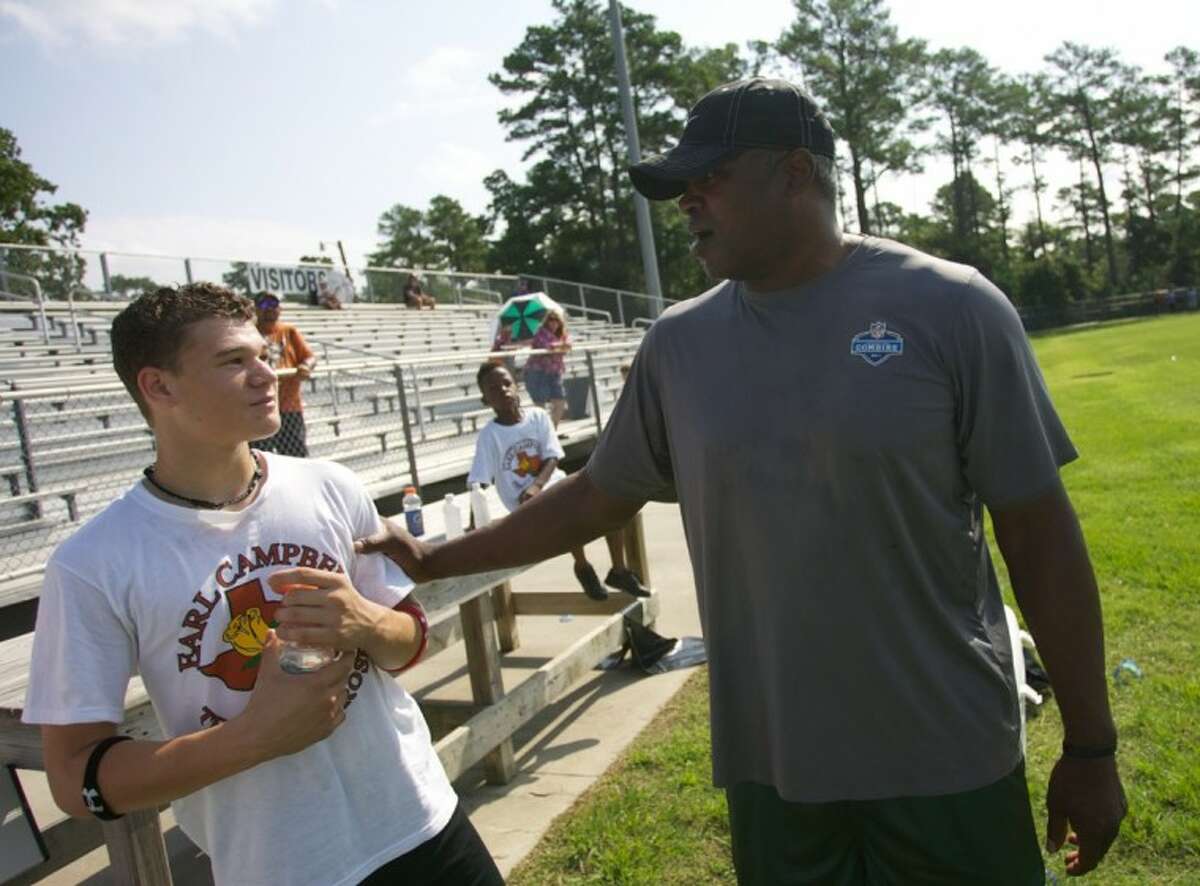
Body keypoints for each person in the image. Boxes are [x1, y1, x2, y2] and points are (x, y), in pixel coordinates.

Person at [357, 78, 1126, 883]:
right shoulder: (679, 347)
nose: (686, 201)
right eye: (681, 187)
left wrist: (1091, 744)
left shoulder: (954, 309)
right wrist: (435, 559)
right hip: (774, 770)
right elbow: (594, 497)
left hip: (945, 755)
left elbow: (1039, 534)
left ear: (796, 173)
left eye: (709, 178)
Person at [22, 283, 502, 886]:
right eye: (233, 361)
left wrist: (367, 623)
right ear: (158, 386)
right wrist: (251, 739)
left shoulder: (330, 485)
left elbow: (410, 642)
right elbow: (72, 778)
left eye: (262, 354)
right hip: (279, 865)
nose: (266, 373)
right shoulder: (91, 563)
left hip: (422, 820)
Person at [469, 362, 647, 601]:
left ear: (516, 385)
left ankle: (619, 569)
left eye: (506, 383)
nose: (502, 390)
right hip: (526, 503)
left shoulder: (538, 417)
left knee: (608, 496)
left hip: (552, 486)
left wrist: (537, 485)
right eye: (493, 388)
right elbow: (478, 481)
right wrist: (473, 524)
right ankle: (582, 566)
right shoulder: (490, 435)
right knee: (568, 515)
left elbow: (553, 455)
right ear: (485, 399)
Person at [250, 291, 316, 458]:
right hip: (260, 407)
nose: (269, 310)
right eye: (264, 306)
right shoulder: (249, 334)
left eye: (274, 306)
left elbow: (309, 357)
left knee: (296, 456)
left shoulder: (288, 331)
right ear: (256, 310)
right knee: (261, 456)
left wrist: (305, 366)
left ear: (280, 309)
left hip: (289, 407)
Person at [524, 308, 571, 427]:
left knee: (560, 402)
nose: (553, 323)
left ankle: (552, 430)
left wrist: (560, 346)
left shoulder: (562, 333)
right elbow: (548, 346)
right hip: (538, 371)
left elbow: (568, 346)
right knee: (540, 404)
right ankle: (544, 432)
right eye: (550, 320)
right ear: (547, 321)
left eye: (556, 320)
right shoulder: (541, 331)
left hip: (555, 372)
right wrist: (561, 346)